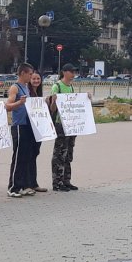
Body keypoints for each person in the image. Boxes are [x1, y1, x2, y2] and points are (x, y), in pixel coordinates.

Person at [5, 63, 36, 198]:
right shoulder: (15, 87)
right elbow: (8, 106)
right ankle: (13, 187)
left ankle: (22, 185)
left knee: (25, 156)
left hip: (27, 124)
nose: (31, 76)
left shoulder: (26, 88)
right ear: (23, 73)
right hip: (18, 125)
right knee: (18, 157)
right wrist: (19, 103)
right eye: (30, 74)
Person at [50, 63, 79, 191]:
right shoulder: (57, 87)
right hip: (60, 124)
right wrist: (54, 101)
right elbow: (52, 108)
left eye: (74, 72)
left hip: (71, 125)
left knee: (69, 153)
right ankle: (57, 182)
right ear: (64, 72)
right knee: (59, 154)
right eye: (71, 72)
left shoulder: (71, 87)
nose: (73, 74)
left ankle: (66, 180)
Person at [28, 71, 48, 193]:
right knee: (28, 156)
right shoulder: (28, 92)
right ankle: (27, 183)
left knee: (34, 154)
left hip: (38, 128)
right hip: (29, 128)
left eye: (38, 78)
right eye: (34, 78)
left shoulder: (38, 93)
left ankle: (33, 182)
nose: (36, 81)